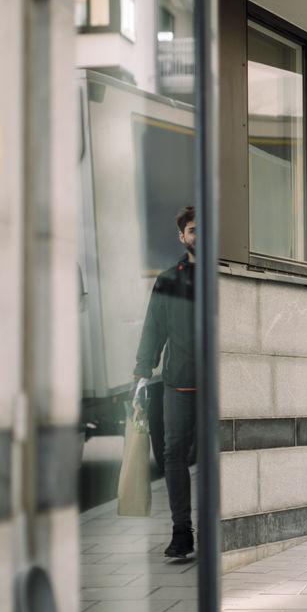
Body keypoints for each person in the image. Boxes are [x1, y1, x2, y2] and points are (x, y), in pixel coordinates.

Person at [134, 205, 197, 559]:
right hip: (178, 383)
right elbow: (153, 329)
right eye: (192, 230)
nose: (198, 236)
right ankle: (181, 531)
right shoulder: (168, 280)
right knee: (173, 454)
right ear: (182, 236)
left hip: (217, 385)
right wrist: (142, 372)